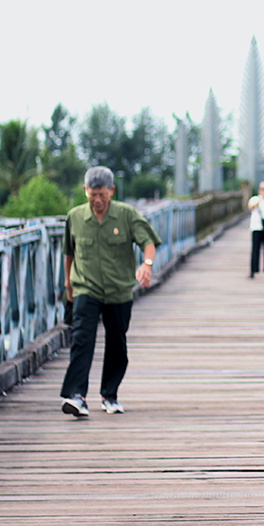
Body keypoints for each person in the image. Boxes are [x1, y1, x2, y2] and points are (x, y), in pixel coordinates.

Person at [59, 166, 161, 417]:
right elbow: (68, 253)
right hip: (86, 287)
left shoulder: (126, 215)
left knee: (117, 344)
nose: (97, 200)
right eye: (92, 194)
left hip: (118, 290)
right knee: (82, 340)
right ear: (85, 191)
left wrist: (146, 265)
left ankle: (109, 394)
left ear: (112, 191)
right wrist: (68, 284)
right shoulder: (74, 217)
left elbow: (148, 242)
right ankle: (76, 396)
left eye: (102, 195)